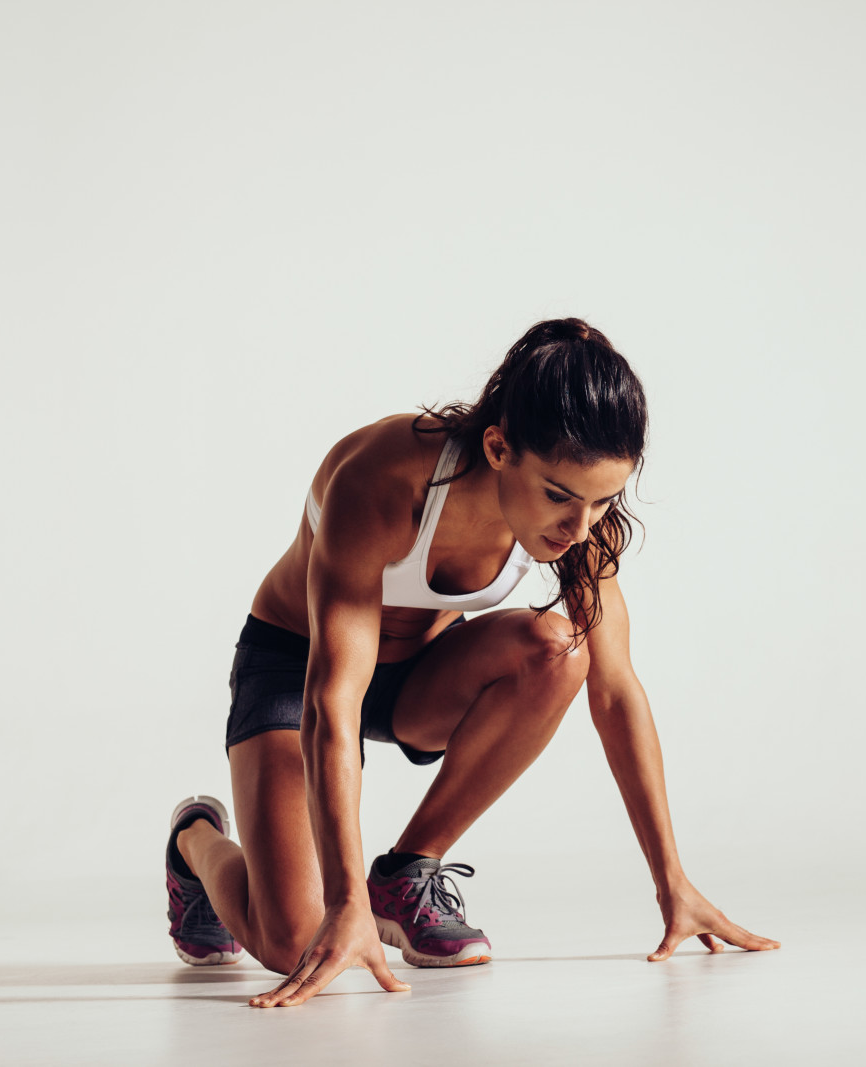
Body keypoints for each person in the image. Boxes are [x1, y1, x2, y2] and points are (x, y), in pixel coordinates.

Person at [163, 317, 779, 1008]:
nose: (581, 528)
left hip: (417, 684)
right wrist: (343, 904)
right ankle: (196, 842)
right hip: (297, 666)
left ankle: (404, 870)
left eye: (604, 500)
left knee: (559, 648)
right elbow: (330, 701)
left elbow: (616, 692)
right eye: (559, 495)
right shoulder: (385, 478)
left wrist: (674, 881)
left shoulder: (579, 525)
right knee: (296, 941)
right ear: (498, 446)